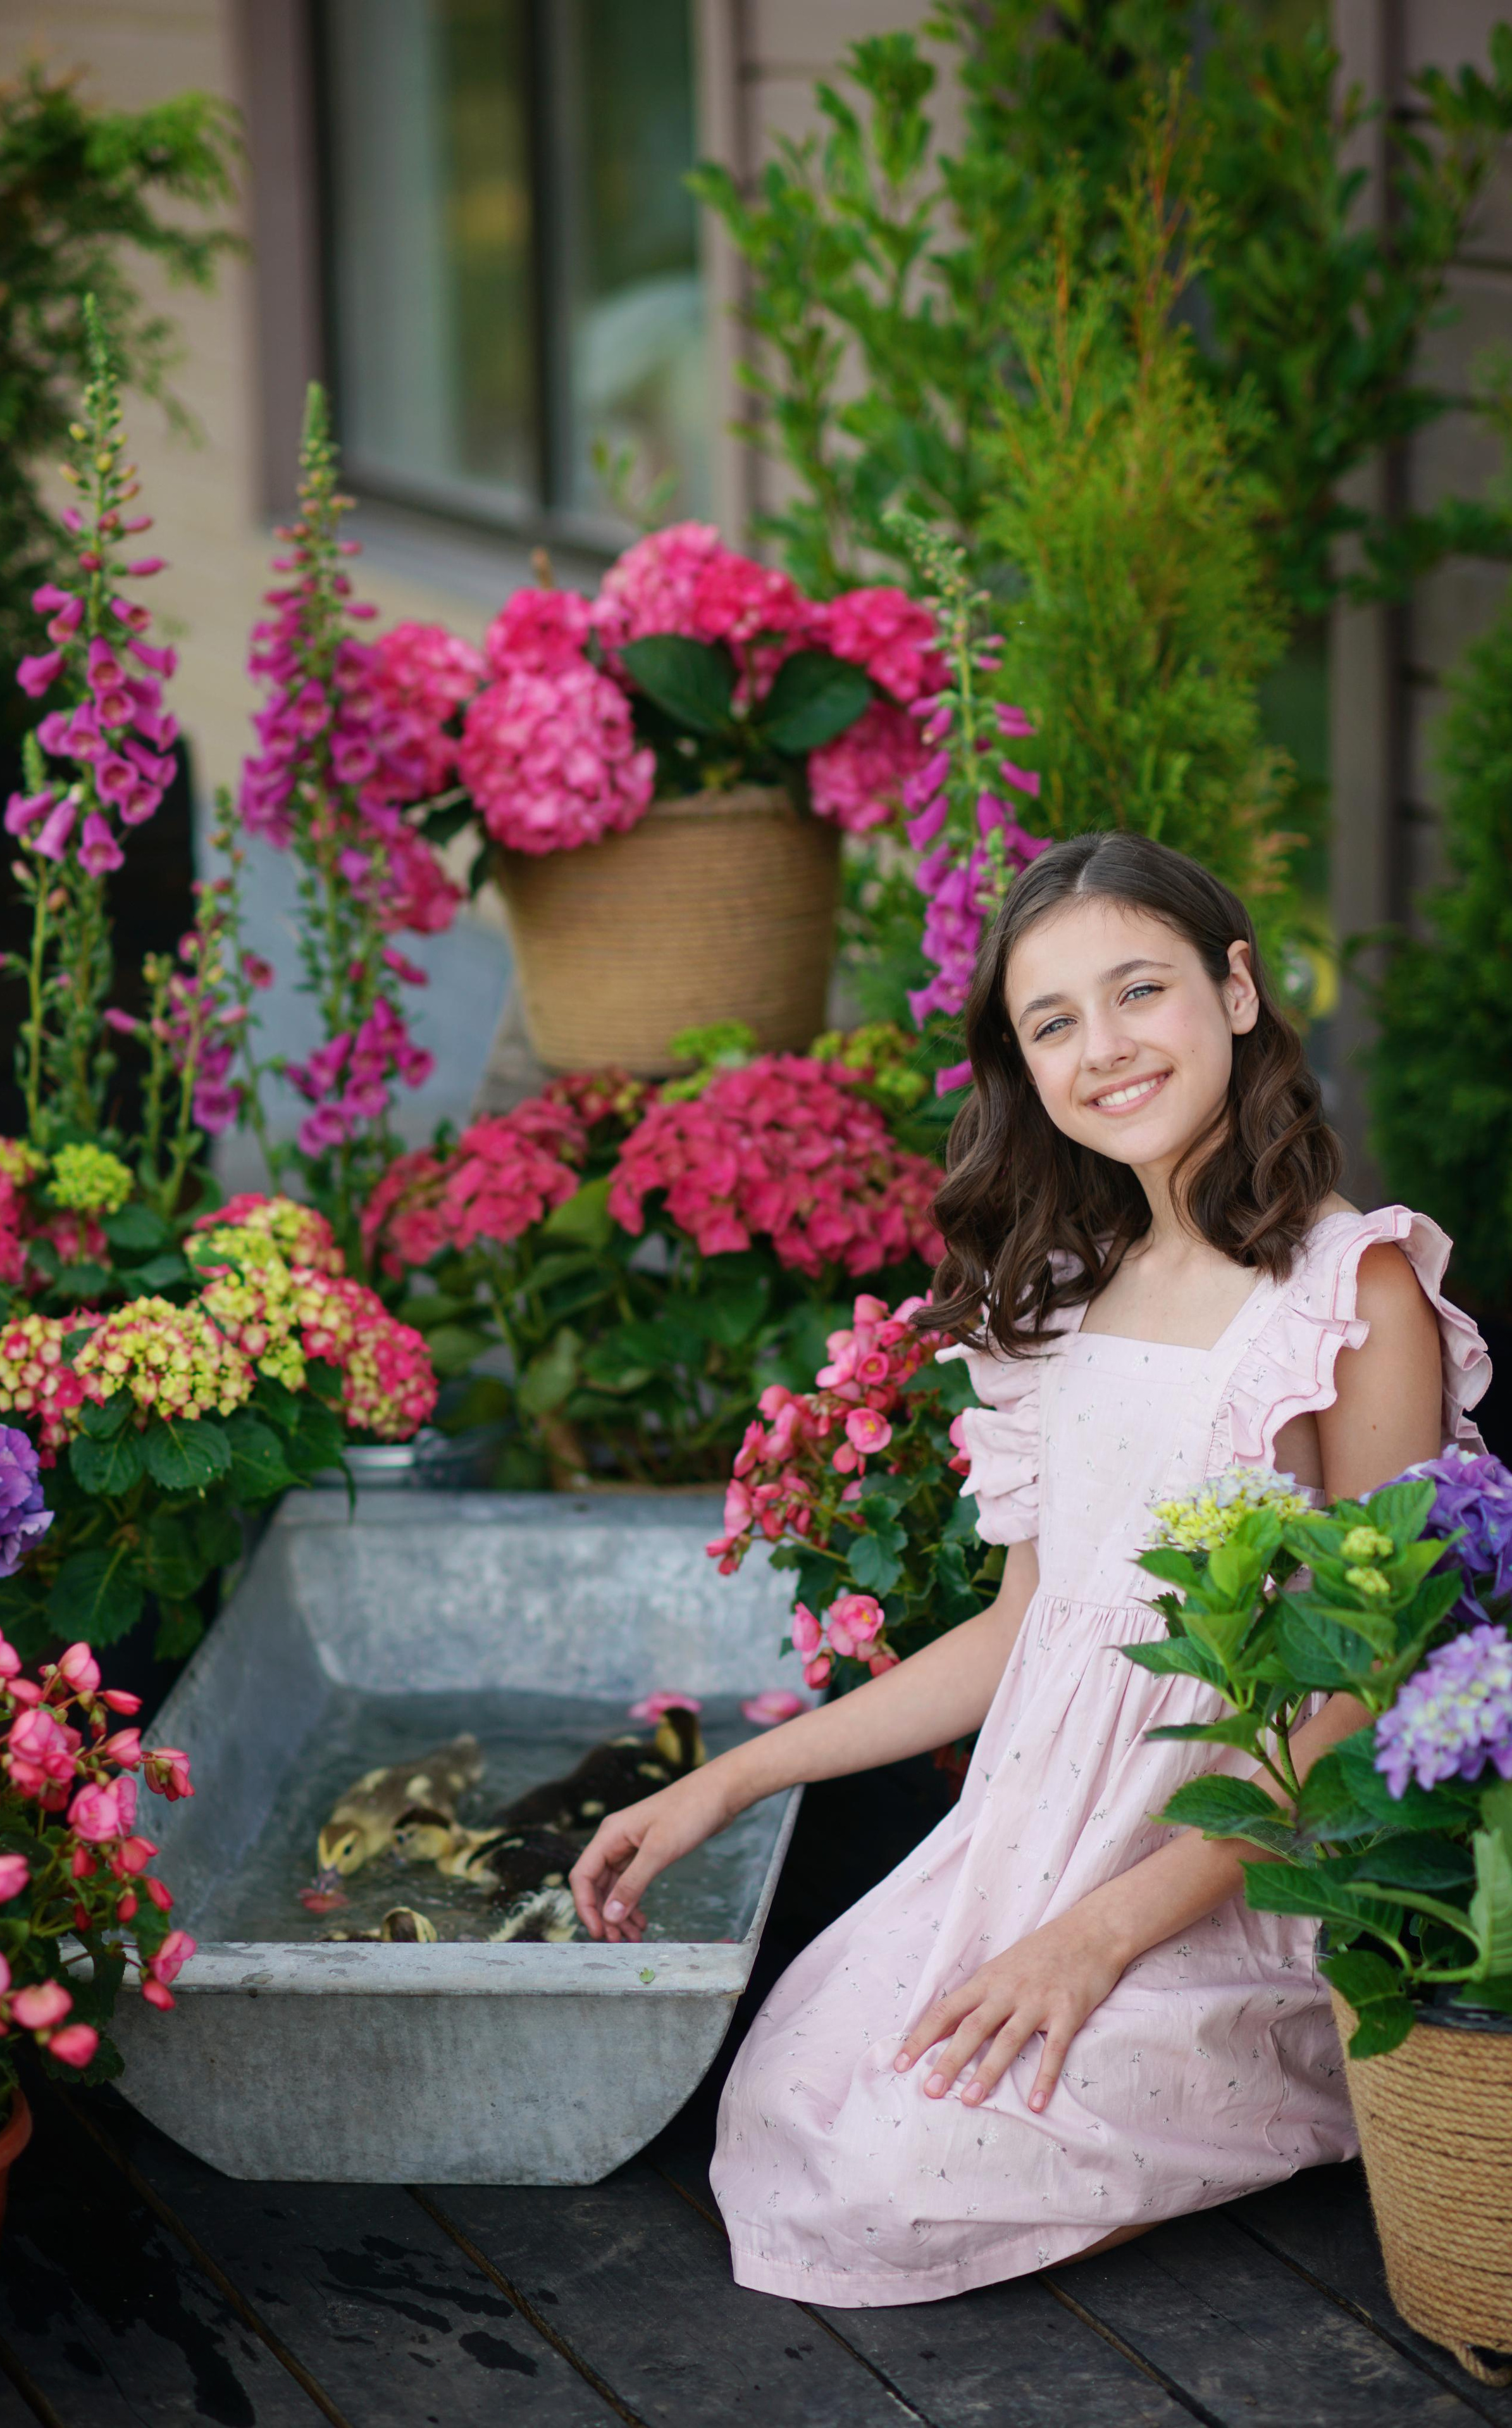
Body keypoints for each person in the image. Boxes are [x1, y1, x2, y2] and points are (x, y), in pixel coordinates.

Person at [569, 830, 1490, 2308]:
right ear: (1019, 1062)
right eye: (1053, 1020)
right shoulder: (1056, 1303)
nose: (1105, 1047)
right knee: (793, 2097)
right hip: (1037, 1833)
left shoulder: (1345, 1288)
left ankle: (1258, 2094)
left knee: (902, 2168)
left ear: (1236, 990)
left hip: (1234, 1862)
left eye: (1140, 991)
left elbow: (1355, 1695)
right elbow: (1021, 1629)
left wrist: (1094, 1940)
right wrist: (729, 1778)